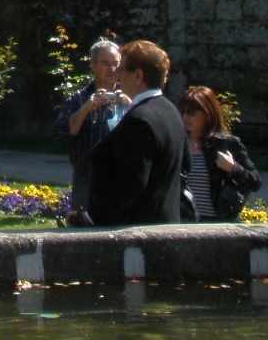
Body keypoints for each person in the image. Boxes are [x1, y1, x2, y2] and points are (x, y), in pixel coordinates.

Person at [78, 39, 190, 227]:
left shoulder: (139, 119)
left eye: (121, 69)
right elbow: (187, 164)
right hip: (168, 224)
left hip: (137, 233)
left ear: (138, 75)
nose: (117, 76)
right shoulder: (171, 111)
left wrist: (91, 219)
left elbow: (132, 183)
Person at [53, 38, 130, 211]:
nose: (112, 69)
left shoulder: (129, 95)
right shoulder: (79, 98)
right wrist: (87, 107)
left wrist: (130, 105)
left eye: (115, 63)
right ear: (93, 65)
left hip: (121, 177)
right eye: (105, 63)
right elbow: (63, 132)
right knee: (83, 230)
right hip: (87, 178)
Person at [178, 86, 261, 221]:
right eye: (183, 111)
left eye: (191, 112)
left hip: (215, 222)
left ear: (207, 113)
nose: (185, 116)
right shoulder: (178, 142)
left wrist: (233, 168)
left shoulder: (226, 143)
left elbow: (255, 182)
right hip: (183, 220)